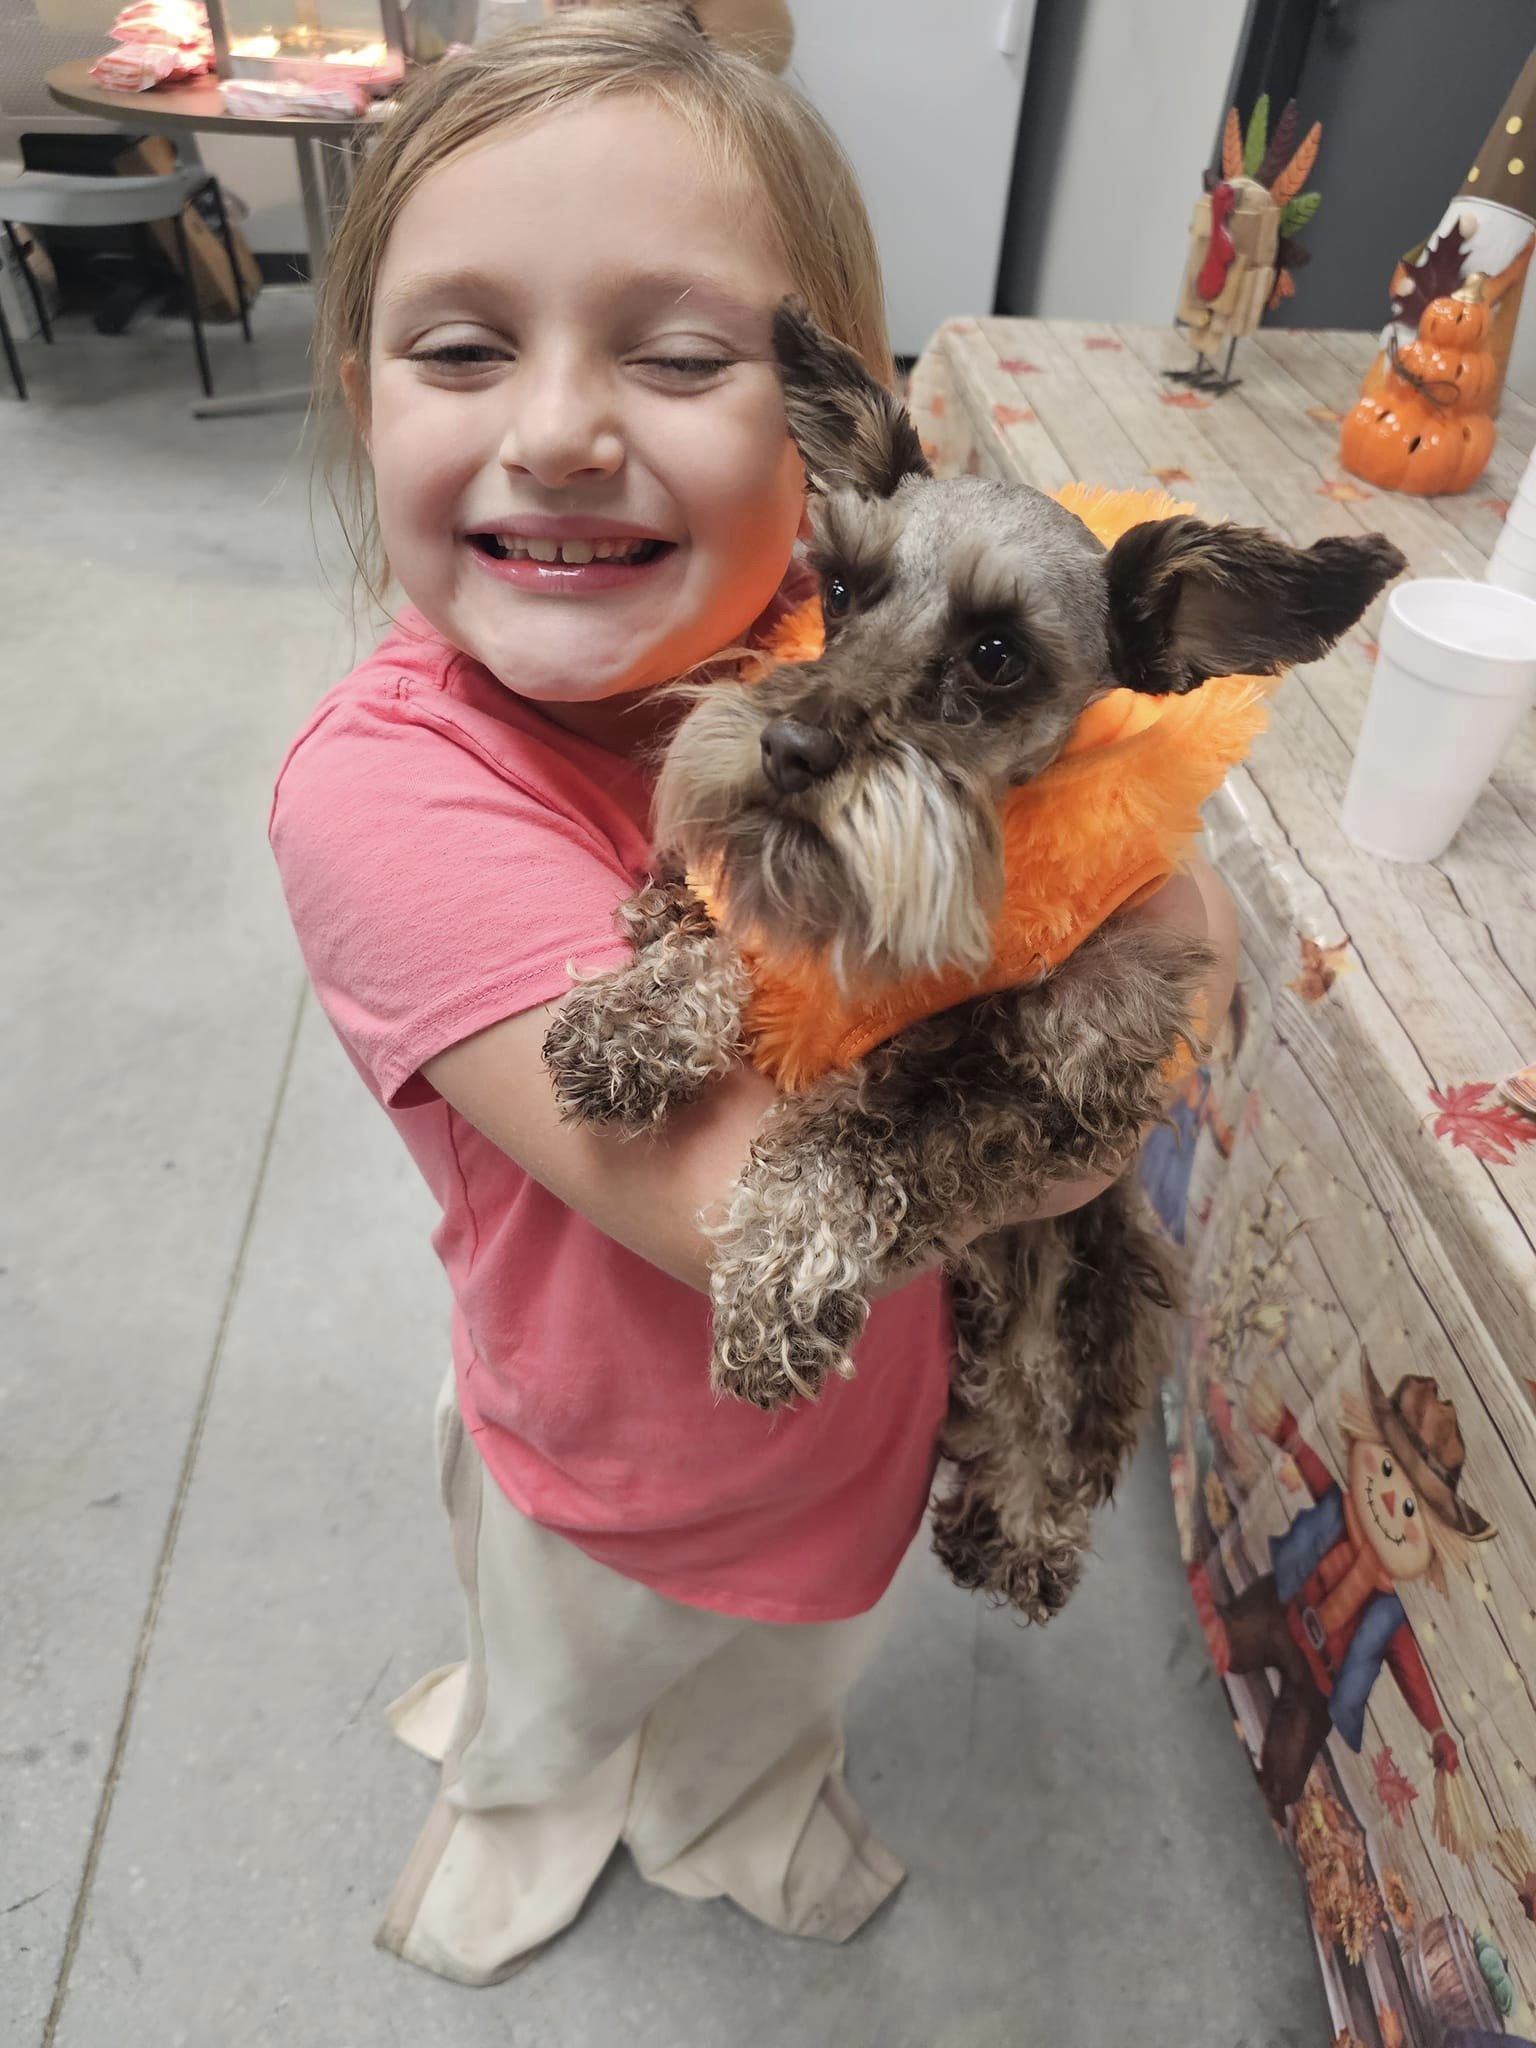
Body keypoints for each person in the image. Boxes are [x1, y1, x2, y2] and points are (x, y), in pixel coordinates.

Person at [270, 4, 1239, 1988]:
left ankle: (734, 1803)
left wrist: (1109, 873)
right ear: (357, 393)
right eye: (460, 345)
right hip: (605, 1452)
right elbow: (734, 1203)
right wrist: (1083, 1053)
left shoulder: (856, 628)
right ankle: (527, 1812)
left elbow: (1179, 924)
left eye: (682, 352)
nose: (553, 426)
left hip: (862, 1428)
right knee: (564, 1687)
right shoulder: (390, 794)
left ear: (834, 429)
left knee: (786, 1682)